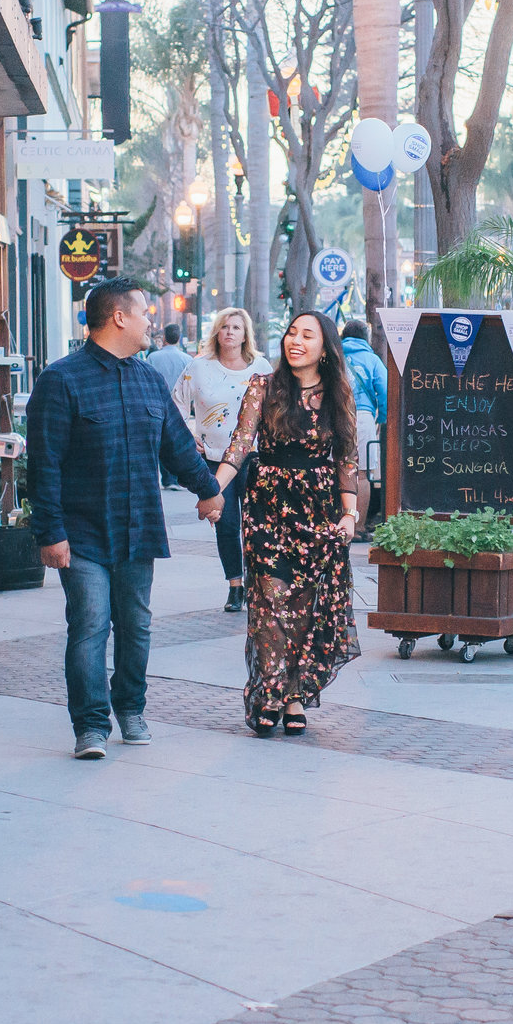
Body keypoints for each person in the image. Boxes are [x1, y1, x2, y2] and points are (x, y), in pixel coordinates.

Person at [27, 277, 224, 759]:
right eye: (143, 313)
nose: (150, 321)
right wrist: (50, 534)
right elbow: (44, 464)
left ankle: (131, 709)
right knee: (90, 625)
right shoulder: (61, 380)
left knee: (136, 626)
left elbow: (176, 446)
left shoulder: (147, 379)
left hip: (138, 530)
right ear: (118, 317)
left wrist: (209, 489)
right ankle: (91, 725)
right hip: (82, 534)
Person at [216, 312, 363, 736]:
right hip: (268, 505)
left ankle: (295, 694)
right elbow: (241, 442)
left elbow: (347, 459)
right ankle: (273, 693)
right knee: (268, 603)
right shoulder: (264, 386)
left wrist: (349, 514)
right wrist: (215, 488)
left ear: (325, 347)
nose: (295, 341)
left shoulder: (338, 392)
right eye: (291, 333)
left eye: (307, 335)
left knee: (303, 609)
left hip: (317, 510)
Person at [173, 308, 271, 612]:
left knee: (256, 525)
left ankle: (258, 585)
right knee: (226, 523)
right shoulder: (198, 366)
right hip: (215, 460)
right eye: (225, 326)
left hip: (253, 459)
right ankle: (235, 585)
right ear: (217, 331)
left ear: (246, 335)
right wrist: (190, 435)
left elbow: (274, 411)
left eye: (237, 328)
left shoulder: (261, 367)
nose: (230, 332)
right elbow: (175, 404)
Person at [340, 318, 388, 530]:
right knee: (362, 473)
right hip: (363, 417)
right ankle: (357, 528)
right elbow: (385, 390)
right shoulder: (372, 359)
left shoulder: (335, 357)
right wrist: (383, 418)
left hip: (335, 415)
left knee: (336, 469)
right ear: (365, 337)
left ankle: (336, 523)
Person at [147, 319, 190, 488]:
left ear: (164, 337)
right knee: (177, 440)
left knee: (160, 441)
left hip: (156, 403)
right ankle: (177, 477)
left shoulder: (153, 357)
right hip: (180, 405)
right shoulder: (186, 359)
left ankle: (167, 478)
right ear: (178, 338)